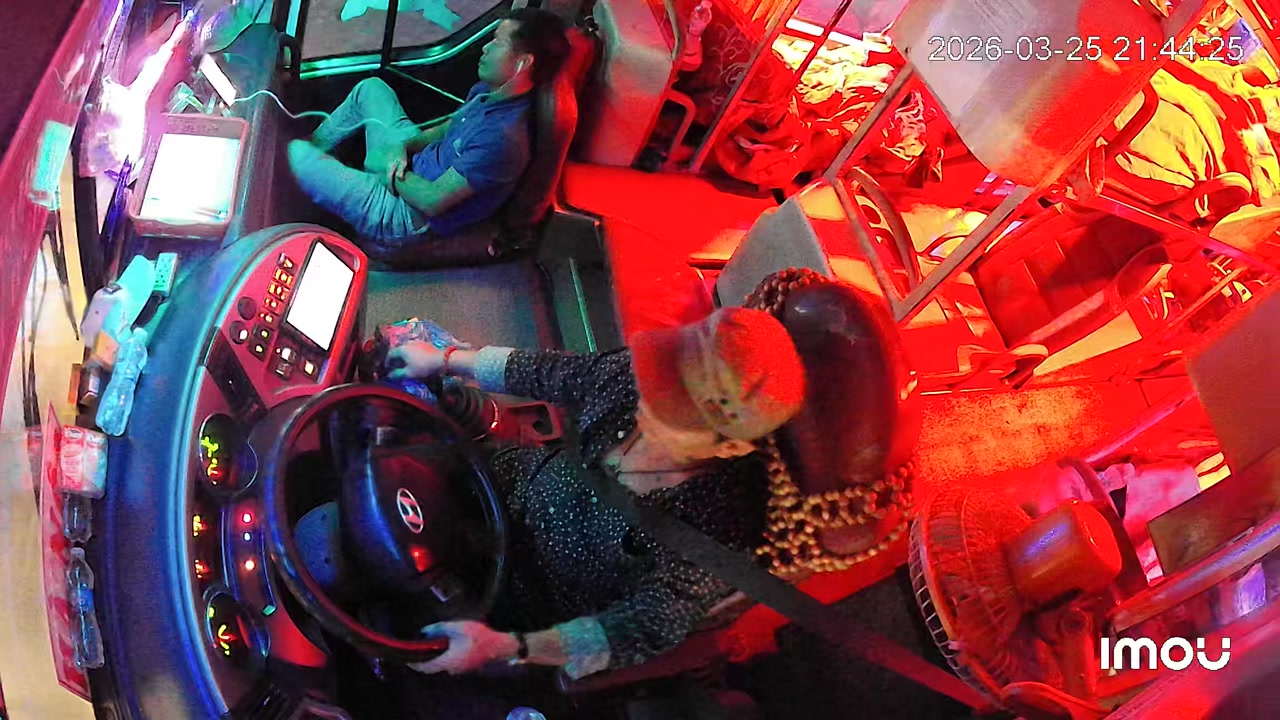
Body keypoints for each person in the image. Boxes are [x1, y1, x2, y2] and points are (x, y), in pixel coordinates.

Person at [383, 307, 806, 699]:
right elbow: (552, 372)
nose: (643, 400)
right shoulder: (636, 375)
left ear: (730, 447)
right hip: (503, 479)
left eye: (670, 410)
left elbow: (636, 629)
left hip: (523, 592)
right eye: (656, 380)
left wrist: (506, 646)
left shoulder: (719, 534)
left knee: (405, 645)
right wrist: (447, 359)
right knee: (386, 471)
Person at [287, 8, 570, 260]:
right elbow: (447, 128)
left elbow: (432, 201)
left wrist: (389, 170)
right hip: (412, 166)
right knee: (370, 89)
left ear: (523, 63)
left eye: (497, 42)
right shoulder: (489, 92)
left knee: (296, 154)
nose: (485, 47)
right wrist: (403, 147)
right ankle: (314, 172)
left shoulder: (503, 139)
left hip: (406, 214)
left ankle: (300, 181)